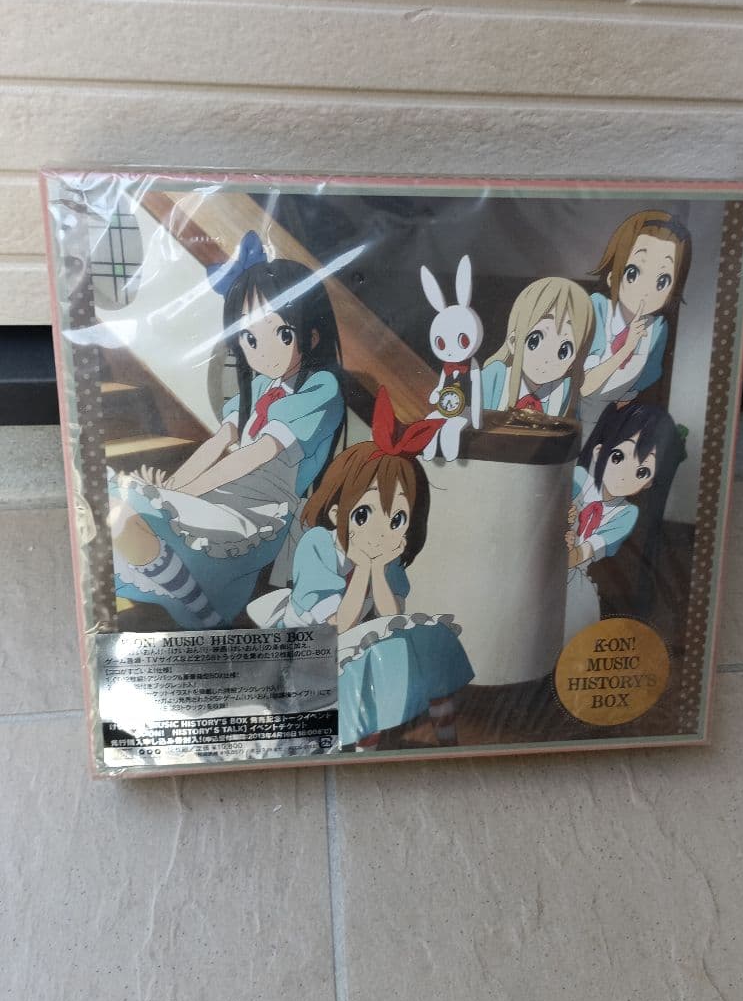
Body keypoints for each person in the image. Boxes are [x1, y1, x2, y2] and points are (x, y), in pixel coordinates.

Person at [108, 232, 345, 629]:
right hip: (226, 492)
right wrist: (173, 489)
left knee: (135, 513)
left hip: (262, 509)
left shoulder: (321, 388)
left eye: (282, 334)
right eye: (250, 338)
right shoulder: (258, 387)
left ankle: (198, 609)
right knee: (120, 506)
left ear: (313, 334)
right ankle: (194, 602)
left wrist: (181, 494)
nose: (262, 350)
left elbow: (257, 453)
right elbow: (219, 443)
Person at [248, 388, 474, 750]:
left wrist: (377, 567)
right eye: (365, 514)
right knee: (364, 682)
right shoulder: (318, 545)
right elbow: (338, 623)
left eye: (397, 519)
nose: (381, 532)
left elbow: (391, 614)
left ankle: (449, 743)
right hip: (308, 650)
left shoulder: (387, 556)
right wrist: (366, 565)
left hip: (353, 640)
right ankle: (361, 750)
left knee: (432, 643)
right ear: (338, 512)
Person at [563, 401, 683, 644]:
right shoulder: (577, 478)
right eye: (618, 457)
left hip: (573, 581)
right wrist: (562, 517)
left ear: (649, 482)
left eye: (642, 472)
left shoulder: (625, 515)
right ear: (599, 452)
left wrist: (571, 544)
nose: (625, 475)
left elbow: (582, 555)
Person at [580, 211, 692, 434]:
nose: (646, 290)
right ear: (612, 275)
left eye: (662, 280)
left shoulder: (658, 327)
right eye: (633, 273)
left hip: (618, 414)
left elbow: (650, 373)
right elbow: (585, 385)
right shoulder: (597, 308)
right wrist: (626, 349)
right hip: (578, 413)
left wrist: (625, 404)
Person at [482, 276, 595, 418]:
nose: (547, 359)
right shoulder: (496, 375)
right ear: (513, 342)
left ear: (573, 363)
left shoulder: (564, 391)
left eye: (564, 351)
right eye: (534, 341)